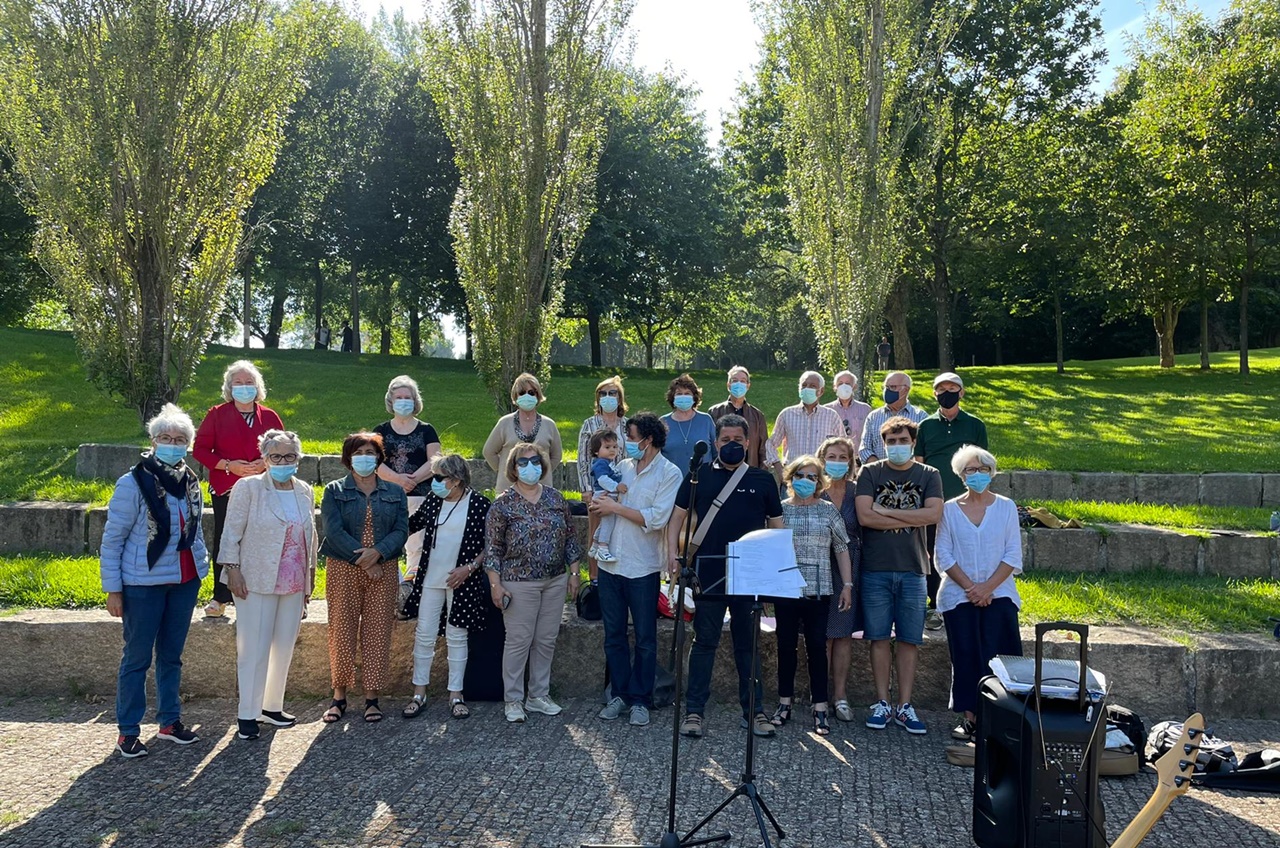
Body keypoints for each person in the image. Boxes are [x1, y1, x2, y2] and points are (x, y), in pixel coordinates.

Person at [101, 403, 208, 758]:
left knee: (172, 656)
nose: (172, 444)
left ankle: (169, 722)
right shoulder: (131, 483)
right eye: (165, 438)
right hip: (142, 584)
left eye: (179, 439)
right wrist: (113, 589)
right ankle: (128, 731)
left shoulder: (191, 481)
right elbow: (113, 539)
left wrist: (203, 566)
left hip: (184, 579)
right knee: (136, 658)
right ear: (153, 440)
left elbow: (196, 531)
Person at [669, 413, 784, 740]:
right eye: (725, 440)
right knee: (704, 642)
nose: (731, 445)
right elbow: (676, 518)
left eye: (737, 440)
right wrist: (672, 557)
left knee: (748, 645)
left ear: (748, 443)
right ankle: (694, 711)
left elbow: (776, 526)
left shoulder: (763, 480)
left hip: (750, 574)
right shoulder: (698, 477)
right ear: (715, 443)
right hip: (709, 574)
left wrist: (777, 573)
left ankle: (754, 711)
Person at [216, 429, 315, 741]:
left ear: (298, 459)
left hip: (294, 580)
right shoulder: (248, 488)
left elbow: (308, 538)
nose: (283, 461)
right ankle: (248, 712)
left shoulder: (304, 490)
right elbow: (231, 531)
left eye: (289, 456)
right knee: (254, 647)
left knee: (283, 645)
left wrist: (308, 583)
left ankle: (272, 706)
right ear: (265, 458)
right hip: (254, 578)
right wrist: (231, 569)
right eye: (276, 456)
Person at [590, 412, 683, 727]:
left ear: (648, 439)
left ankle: (641, 699)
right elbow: (607, 498)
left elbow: (656, 518)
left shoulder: (669, 474)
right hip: (610, 563)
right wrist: (599, 501)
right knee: (613, 635)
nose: (627, 443)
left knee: (645, 637)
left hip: (642, 567)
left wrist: (615, 507)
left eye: (630, 437)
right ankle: (619, 694)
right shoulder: (623, 468)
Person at [483, 443, 584, 723]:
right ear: (514, 468)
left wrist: (574, 573)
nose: (531, 467)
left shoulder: (555, 497)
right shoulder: (503, 504)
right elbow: (493, 549)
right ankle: (513, 699)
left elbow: (571, 537)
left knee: (546, 640)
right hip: (518, 582)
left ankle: (539, 695)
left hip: (554, 580)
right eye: (524, 462)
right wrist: (495, 584)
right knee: (518, 641)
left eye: (536, 461)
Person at [855, 416, 943, 735]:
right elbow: (865, 517)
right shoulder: (870, 472)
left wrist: (885, 511)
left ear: (913, 442)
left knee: (909, 641)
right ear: (883, 443)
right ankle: (882, 702)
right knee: (878, 638)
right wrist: (909, 517)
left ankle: (905, 705)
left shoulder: (928, 474)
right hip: (875, 569)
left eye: (902, 440)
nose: (896, 446)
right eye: (890, 442)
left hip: (914, 569)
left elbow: (933, 514)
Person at [319, 432, 408, 725]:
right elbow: (333, 531)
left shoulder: (395, 493)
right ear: (348, 458)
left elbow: (400, 531)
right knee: (341, 629)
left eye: (370, 452)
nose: (365, 458)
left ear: (379, 457)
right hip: (344, 567)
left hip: (382, 568)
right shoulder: (333, 490)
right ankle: (339, 696)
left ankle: (372, 698)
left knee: (377, 632)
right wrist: (363, 560)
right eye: (358, 453)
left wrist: (378, 554)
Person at [934, 445, 1022, 742]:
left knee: (1001, 657)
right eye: (971, 470)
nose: (977, 474)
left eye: (983, 469)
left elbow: (1013, 554)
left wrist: (987, 588)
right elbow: (943, 554)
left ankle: (1001, 720)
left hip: (1000, 594)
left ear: (991, 472)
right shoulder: (948, 509)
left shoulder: (1007, 507)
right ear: (961, 475)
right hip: (958, 596)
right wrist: (971, 588)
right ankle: (969, 718)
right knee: (966, 655)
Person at [400, 454, 492, 720]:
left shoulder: (478, 504)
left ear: (456, 479)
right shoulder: (433, 501)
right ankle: (419, 693)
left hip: (462, 581)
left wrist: (469, 568)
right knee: (424, 634)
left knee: (457, 636)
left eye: (439, 478)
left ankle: (456, 694)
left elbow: (490, 545)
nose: (434, 483)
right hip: (430, 578)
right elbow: (411, 524)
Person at [192, 360, 284, 618]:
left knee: (261, 539)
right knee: (226, 537)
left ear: (258, 387)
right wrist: (229, 466)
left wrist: (263, 464)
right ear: (229, 387)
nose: (244, 387)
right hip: (227, 487)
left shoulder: (270, 416)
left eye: (249, 382)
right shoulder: (216, 414)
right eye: (238, 383)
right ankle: (220, 597)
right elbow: (200, 450)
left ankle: (261, 592)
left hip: (264, 486)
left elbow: (283, 450)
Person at [773, 456, 853, 737]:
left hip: (819, 590)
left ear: (820, 482)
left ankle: (820, 707)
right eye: (800, 475)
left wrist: (847, 584)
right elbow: (769, 547)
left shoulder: (829, 511)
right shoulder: (779, 511)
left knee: (818, 647)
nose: (805, 481)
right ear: (790, 477)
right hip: (786, 589)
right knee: (785, 646)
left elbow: (842, 547)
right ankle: (784, 703)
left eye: (811, 477)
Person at [915, 371, 989, 631]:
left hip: (966, 501)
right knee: (935, 552)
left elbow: (984, 465)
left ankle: (967, 599)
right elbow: (918, 465)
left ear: (962, 392)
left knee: (965, 550)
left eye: (952, 388)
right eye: (941, 389)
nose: (946, 393)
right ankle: (934, 605)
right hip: (933, 501)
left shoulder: (975, 425)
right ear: (934, 394)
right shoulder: (925, 426)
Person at [373, 375, 442, 592]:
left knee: (418, 545)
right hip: (386, 494)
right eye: (399, 397)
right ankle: (392, 587)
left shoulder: (427, 430)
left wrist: (411, 481)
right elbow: (375, 462)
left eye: (408, 397)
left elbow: (435, 461)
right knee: (385, 543)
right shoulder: (381, 430)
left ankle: (414, 588)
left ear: (415, 400)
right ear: (390, 401)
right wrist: (397, 479)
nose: (403, 401)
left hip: (420, 495)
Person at [817, 435, 863, 723]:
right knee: (820, 634)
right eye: (831, 457)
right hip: (818, 564)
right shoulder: (812, 490)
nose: (836, 462)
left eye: (841, 457)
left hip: (850, 566)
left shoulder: (858, 492)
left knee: (843, 633)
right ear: (822, 460)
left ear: (850, 462)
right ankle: (819, 696)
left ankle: (841, 696)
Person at [576, 376, 629, 578]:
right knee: (596, 533)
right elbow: (582, 458)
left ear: (620, 397)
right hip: (599, 489)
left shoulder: (627, 425)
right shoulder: (589, 424)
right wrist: (586, 489)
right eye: (603, 394)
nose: (608, 397)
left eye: (612, 393)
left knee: (618, 533)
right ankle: (595, 579)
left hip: (621, 488)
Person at [483, 372, 563, 492]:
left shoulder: (549, 424)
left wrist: (538, 472)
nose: (527, 396)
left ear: (538, 396)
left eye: (531, 392)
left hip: (542, 489)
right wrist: (509, 470)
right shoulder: (504, 423)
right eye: (522, 392)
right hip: (509, 488)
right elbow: (489, 452)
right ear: (516, 396)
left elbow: (556, 456)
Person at [766, 370, 843, 488]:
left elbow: (843, 446)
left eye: (812, 386)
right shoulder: (787, 414)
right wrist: (778, 467)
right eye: (804, 385)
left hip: (821, 478)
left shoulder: (831, 416)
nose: (807, 389)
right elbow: (771, 444)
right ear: (799, 389)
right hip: (793, 476)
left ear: (821, 391)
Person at [858, 371, 927, 464]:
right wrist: (880, 469)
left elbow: (924, 450)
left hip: (912, 474)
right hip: (879, 475)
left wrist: (909, 469)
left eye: (893, 387)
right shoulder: (873, 416)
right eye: (886, 387)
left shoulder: (921, 417)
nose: (887, 391)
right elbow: (865, 449)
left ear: (906, 389)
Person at [706, 365, 768, 468]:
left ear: (748, 386)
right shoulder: (714, 412)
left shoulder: (757, 416)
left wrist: (761, 473)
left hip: (749, 471)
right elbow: (710, 445)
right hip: (721, 470)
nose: (738, 384)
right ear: (728, 385)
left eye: (743, 381)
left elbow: (764, 449)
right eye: (734, 380)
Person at [660, 374, 716, 475]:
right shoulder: (663, 422)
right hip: (671, 482)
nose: (683, 396)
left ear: (694, 397)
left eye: (687, 393)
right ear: (673, 397)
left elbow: (717, 452)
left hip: (703, 481)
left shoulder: (706, 420)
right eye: (679, 393)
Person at [586, 430, 627, 563]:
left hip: (608, 495)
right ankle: (603, 549)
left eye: (615, 447)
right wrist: (616, 487)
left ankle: (595, 544)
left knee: (605, 522)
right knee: (609, 522)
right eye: (607, 447)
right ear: (596, 451)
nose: (612, 450)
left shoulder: (609, 462)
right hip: (604, 495)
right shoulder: (601, 463)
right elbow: (603, 479)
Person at [826, 370, 873, 450]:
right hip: (835, 458)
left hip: (859, 458)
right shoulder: (827, 410)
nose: (844, 387)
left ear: (854, 387)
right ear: (835, 387)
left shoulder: (865, 409)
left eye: (847, 384)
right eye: (840, 384)